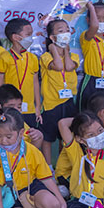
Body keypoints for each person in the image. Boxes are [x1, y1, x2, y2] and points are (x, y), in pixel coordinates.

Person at [0, 111, 65, 208]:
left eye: (8, 137)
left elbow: (46, 178)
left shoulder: (32, 150)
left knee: (54, 205)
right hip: (9, 193)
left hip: (29, 187)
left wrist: (61, 200)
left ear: (21, 133)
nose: (3, 141)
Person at [38, 17, 78, 164]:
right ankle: (48, 166)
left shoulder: (73, 56)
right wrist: (53, 49)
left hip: (68, 102)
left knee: (65, 136)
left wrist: (66, 51)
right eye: (61, 31)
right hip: (51, 103)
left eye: (67, 30)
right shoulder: (46, 57)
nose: (65, 33)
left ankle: (62, 166)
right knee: (48, 137)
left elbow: (68, 66)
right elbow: (59, 66)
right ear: (52, 37)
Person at [0, 17, 42, 127]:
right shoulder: (4, 57)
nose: (31, 38)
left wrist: (37, 106)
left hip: (29, 109)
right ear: (16, 37)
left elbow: (35, 83)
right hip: (10, 108)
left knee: (29, 134)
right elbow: (0, 84)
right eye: (28, 34)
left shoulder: (33, 58)